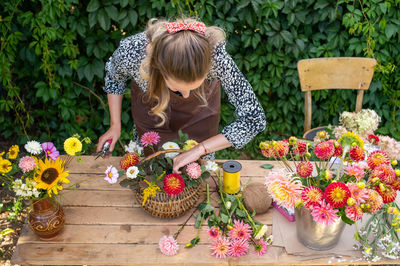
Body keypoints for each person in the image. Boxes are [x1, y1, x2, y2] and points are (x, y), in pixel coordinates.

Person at [97, 18, 266, 173]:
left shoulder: (215, 56)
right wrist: (115, 125)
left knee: (195, 178)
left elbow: (254, 119)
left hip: (200, 119)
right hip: (151, 119)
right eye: (177, 89)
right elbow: (114, 77)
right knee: (151, 177)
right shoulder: (133, 52)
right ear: (158, 68)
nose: (185, 96)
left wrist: (200, 149)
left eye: (194, 87)